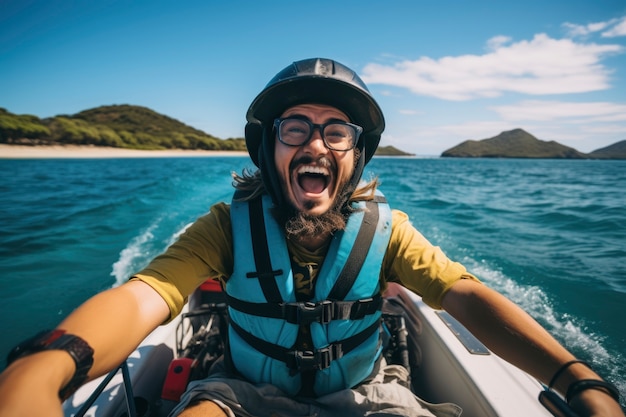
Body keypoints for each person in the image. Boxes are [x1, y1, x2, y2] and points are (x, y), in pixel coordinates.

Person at [0, 58, 622, 417]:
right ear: (269, 149)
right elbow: (146, 295)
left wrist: (580, 381)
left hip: (366, 393)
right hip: (237, 394)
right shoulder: (224, 226)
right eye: (294, 127)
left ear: (356, 155)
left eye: (337, 132)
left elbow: (462, 295)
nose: (316, 143)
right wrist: (49, 361)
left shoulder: (390, 232)